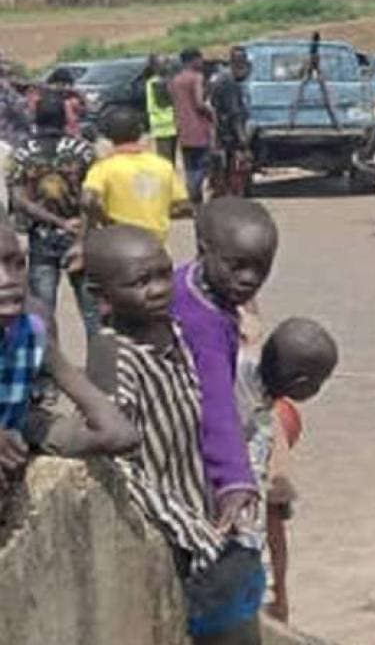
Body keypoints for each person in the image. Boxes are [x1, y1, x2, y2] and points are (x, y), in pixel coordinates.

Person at [85, 224, 265, 642]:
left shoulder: (177, 334)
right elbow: (121, 468)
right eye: (140, 282)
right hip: (169, 535)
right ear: (102, 298)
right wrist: (191, 532)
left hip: (202, 517)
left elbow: (211, 414)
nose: (157, 289)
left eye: (163, 275)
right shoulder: (115, 358)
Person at [0, 224, 137, 485]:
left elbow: (118, 432)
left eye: (17, 264)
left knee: (118, 436)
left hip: (18, 422)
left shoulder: (32, 333)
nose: (8, 279)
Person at [175, 197, 279, 539]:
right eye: (237, 266)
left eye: (261, 268)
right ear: (203, 250)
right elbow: (215, 402)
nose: (250, 279)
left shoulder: (194, 283)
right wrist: (234, 478)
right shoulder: (200, 319)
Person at [240, 317, 337, 623]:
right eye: (319, 381)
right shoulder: (249, 414)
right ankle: (274, 608)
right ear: (300, 383)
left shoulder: (243, 373)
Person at [11, 93, 99, 333]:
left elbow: (19, 200)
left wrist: (55, 221)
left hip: (41, 237)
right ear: (64, 118)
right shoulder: (84, 150)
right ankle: (98, 366)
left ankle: (50, 368)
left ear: (36, 118)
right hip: (81, 237)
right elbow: (92, 198)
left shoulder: (23, 152)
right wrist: (78, 227)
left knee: (43, 310)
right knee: (92, 311)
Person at [83, 105, 191, 245]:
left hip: (121, 244)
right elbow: (182, 205)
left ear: (108, 136)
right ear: (140, 132)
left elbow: (87, 200)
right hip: (156, 245)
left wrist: (104, 219)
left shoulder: (103, 168)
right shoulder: (163, 165)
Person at [169, 48, 217, 203]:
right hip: (199, 127)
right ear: (193, 60)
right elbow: (199, 103)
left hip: (183, 128)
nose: (202, 62)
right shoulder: (196, 78)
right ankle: (192, 193)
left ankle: (195, 199)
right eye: (200, 59)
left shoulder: (175, 80)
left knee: (189, 167)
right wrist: (212, 112)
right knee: (204, 164)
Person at [206, 49, 253, 199]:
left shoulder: (218, 78)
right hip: (228, 137)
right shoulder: (229, 83)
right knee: (234, 175)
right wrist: (243, 141)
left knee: (222, 173)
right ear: (239, 65)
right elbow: (235, 115)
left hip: (219, 134)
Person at [143, 54, 178, 167]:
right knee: (166, 161)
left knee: (169, 160)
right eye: (164, 64)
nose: (167, 66)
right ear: (156, 67)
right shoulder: (158, 83)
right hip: (164, 126)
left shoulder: (153, 81)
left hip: (168, 125)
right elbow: (165, 102)